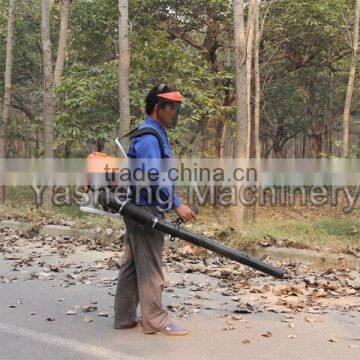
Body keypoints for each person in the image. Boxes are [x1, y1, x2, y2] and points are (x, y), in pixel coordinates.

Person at [113, 84, 197, 336]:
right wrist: (176, 203)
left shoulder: (149, 132)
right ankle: (156, 319)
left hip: (135, 207)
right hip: (145, 208)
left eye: (176, 107)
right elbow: (153, 176)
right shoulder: (149, 137)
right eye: (170, 107)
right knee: (150, 265)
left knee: (132, 263)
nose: (174, 112)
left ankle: (124, 316)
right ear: (156, 108)